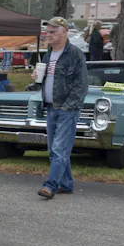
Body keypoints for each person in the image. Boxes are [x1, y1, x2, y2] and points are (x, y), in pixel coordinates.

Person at [34, 16, 88, 199]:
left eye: (53, 31)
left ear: (64, 32)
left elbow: (81, 86)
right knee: (55, 150)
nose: (48, 34)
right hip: (51, 107)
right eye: (47, 31)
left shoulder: (75, 55)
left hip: (67, 110)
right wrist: (37, 78)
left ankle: (50, 186)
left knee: (59, 149)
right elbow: (47, 81)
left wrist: (67, 107)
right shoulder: (48, 54)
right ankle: (65, 184)